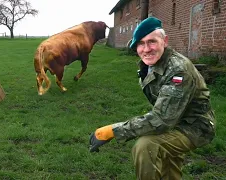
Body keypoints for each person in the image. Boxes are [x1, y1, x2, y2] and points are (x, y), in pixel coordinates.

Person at [89, 17, 216, 180]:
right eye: (141, 44)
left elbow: (161, 120)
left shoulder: (178, 71)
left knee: (146, 145)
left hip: (195, 126)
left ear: (165, 41)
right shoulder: (151, 64)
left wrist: (113, 131)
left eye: (152, 42)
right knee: (169, 164)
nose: (146, 49)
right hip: (175, 119)